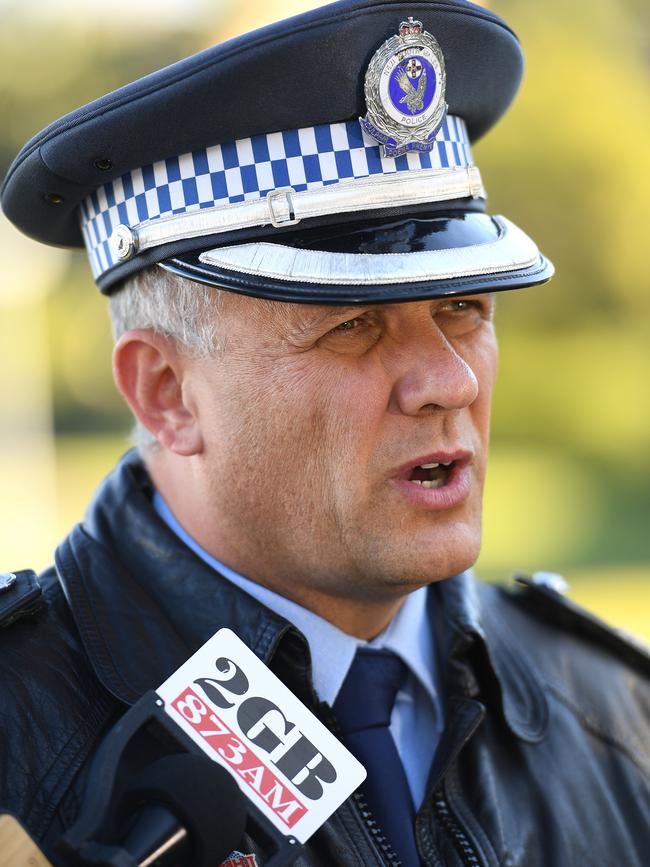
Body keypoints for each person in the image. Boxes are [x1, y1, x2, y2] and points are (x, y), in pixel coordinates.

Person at [1, 0, 648, 865]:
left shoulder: (613, 713)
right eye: (351, 324)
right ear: (166, 393)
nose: (450, 382)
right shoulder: (19, 739)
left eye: (462, 308)